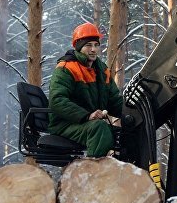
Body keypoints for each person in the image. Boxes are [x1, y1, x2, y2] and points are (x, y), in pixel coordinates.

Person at [48, 22, 123, 157]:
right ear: (78, 47)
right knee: (99, 128)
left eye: (96, 45)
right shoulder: (66, 68)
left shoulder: (102, 70)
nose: (93, 49)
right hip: (66, 124)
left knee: (127, 130)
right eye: (88, 45)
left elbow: (115, 101)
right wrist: (87, 115)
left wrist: (133, 114)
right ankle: (94, 174)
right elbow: (57, 100)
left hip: (88, 123)